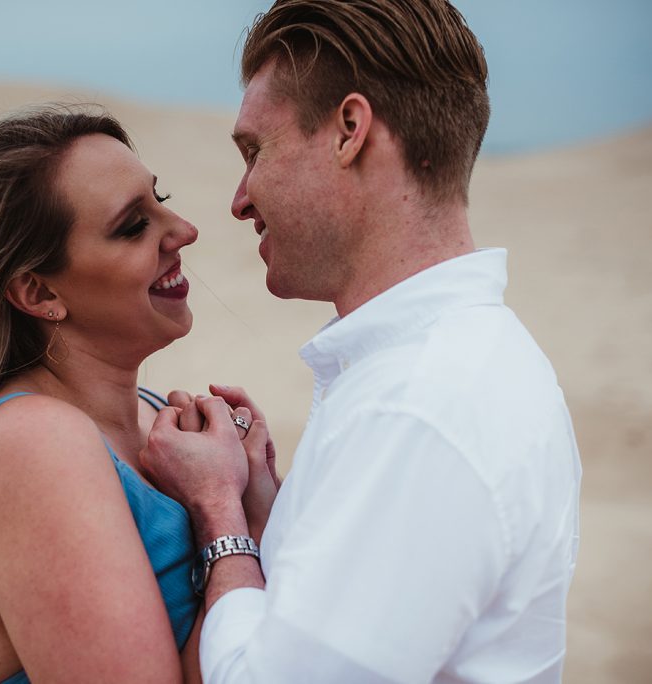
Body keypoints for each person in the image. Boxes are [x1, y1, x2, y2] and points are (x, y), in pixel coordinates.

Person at [139, 1, 583, 682]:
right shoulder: (447, 364)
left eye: (255, 151)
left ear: (350, 130)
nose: (239, 199)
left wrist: (218, 513)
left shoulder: (419, 405)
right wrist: (270, 513)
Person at [0, 107, 268, 683]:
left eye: (162, 198)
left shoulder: (161, 421)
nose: (183, 230)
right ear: (38, 291)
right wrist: (229, 514)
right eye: (133, 225)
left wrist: (254, 489)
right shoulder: (30, 448)